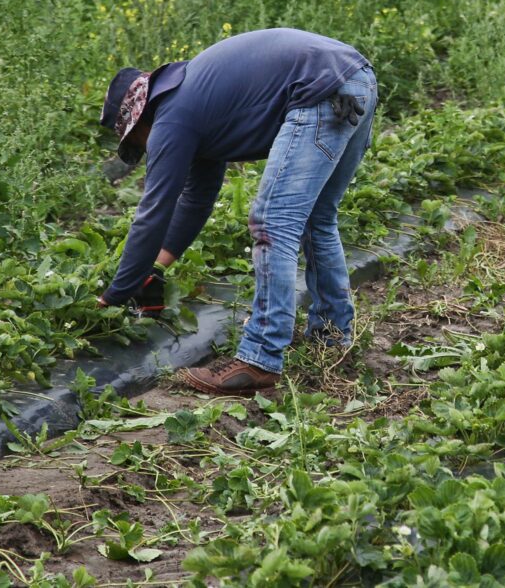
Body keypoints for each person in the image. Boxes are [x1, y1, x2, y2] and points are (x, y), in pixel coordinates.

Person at [97, 28, 376, 396]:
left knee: (272, 222)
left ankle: (260, 359)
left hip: (321, 91)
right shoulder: (196, 103)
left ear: (140, 119)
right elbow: (196, 199)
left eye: (137, 143)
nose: (149, 150)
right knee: (316, 218)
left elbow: (154, 211)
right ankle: (331, 338)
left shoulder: (172, 118)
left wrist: (115, 294)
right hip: (354, 81)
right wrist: (154, 269)